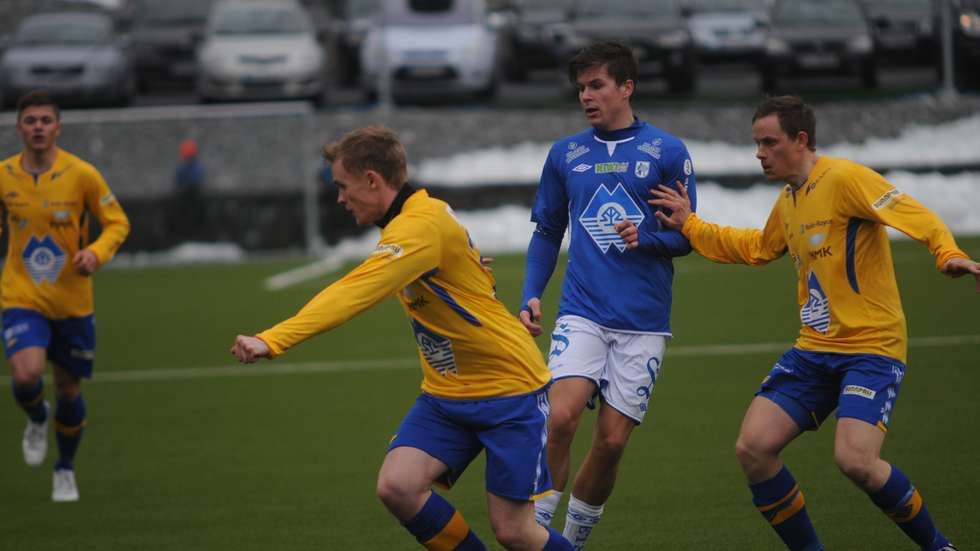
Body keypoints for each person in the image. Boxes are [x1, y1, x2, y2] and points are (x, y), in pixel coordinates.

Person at [647, 95, 978, 551]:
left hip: (871, 348)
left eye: (769, 142)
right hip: (815, 350)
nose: (759, 154)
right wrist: (690, 224)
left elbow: (912, 213)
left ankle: (939, 547)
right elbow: (758, 248)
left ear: (800, 140)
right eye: (757, 144)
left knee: (856, 461)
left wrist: (948, 253)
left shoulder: (844, 178)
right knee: (753, 449)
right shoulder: (790, 200)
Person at [230, 126, 573, 551]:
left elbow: (354, 291)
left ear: (372, 180)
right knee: (398, 486)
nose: (340, 198)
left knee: (514, 531)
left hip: (508, 392)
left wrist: (273, 339)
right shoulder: (421, 215)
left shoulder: (418, 227)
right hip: (446, 394)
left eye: (343, 186)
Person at [518, 41, 697, 549]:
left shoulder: (667, 152)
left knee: (612, 442)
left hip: (643, 320)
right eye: (581, 88)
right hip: (583, 311)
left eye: (596, 85)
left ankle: (571, 541)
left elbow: (687, 236)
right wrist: (531, 294)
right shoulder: (565, 155)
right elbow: (547, 231)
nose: (586, 96)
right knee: (560, 417)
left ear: (626, 87)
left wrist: (650, 239)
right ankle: (536, 534)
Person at [1, 90, 131, 502]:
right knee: (26, 375)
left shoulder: (82, 174)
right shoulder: (3, 175)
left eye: (45, 120)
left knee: (68, 389)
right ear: (19, 127)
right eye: (30, 120)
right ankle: (37, 416)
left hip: (73, 301)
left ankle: (65, 468)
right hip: (21, 295)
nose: (38, 127)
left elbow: (117, 222)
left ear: (58, 127)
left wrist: (96, 252)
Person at [172, 138, 205, 241]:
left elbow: (195, 180)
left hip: (192, 196)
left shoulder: (195, 167)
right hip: (186, 197)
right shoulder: (183, 168)